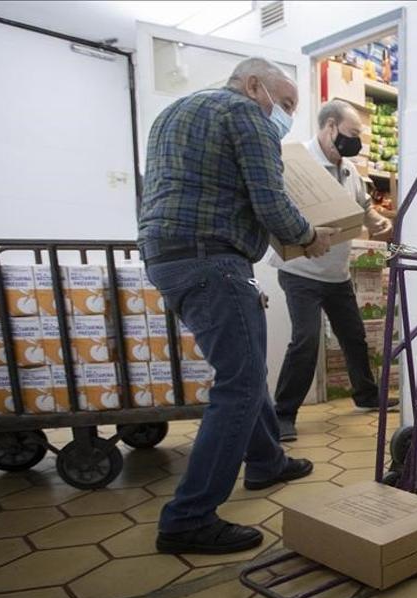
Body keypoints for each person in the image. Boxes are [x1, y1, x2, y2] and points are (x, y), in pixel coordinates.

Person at [139, 57, 335, 555]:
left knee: (244, 371)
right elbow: (269, 200)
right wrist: (308, 236)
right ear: (254, 85)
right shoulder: (245, 113)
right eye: (286, 104)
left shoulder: (174, 112)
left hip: (170, 257)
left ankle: (267, 463)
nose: (287, 115)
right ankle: (188, 518)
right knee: (241, 384)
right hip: (213, 259)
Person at [270, 101, 396, 442]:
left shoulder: (349, 170)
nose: (357, 142)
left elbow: (362, 206)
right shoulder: (297, 164)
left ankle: (367, 395)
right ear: (330, 127)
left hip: (336, 272)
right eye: (352, 134)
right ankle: (283, 414)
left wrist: (377, 222)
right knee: (306, 341)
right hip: (301, 271)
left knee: (354, 337)